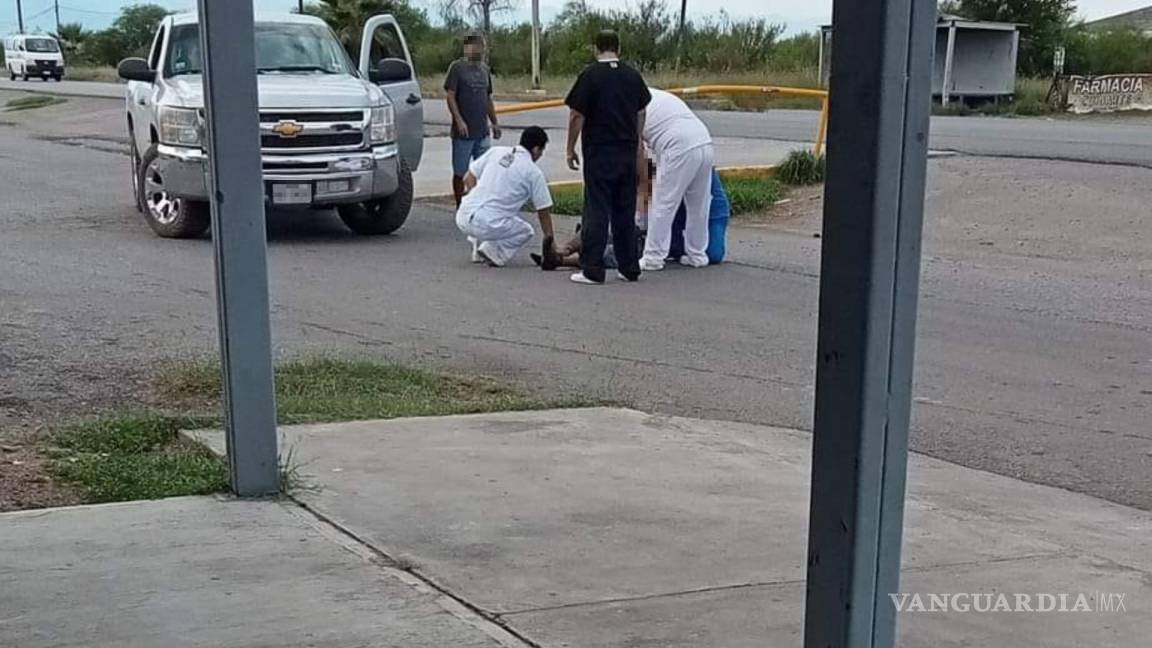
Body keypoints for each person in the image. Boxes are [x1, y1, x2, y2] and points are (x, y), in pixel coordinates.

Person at [564, 30, 651, 285]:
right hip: (626, 150)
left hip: (599, 152)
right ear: (618, 48)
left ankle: (592, 268)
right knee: (624, 210)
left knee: (597, 208)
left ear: (596, 48)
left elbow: (576, 115)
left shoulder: (590, 76)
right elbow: (641, 110)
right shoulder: (632, 75)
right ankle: (629, 267)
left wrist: (570, 148)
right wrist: (636, 142)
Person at [455, 127, 555, 267]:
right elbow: (543, 211)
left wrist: (478, 197)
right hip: (488, 224)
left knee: (490, 213)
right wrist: (550, 242)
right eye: (541, 151)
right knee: (525, 231)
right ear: (536, 149)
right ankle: (493, 252)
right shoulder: (533, 173)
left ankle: (477, 244)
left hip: (463, 216)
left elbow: (468, 178)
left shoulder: (496, 152)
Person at [638, 88, 715, 270]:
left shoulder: (630, 100)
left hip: (677, 144)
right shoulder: (656, 95)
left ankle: (653, 257)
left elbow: (637, 148)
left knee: (663, 201)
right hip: (703, 140)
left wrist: (642, 186)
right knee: (699, 203)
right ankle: (697, 254)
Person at [445, 32, 502, 207]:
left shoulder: (484, 70)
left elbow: (488, 98)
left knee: (484, 170)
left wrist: (494, 122)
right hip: (464, 133)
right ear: (467, 47)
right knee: (461, 171)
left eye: (481, 46)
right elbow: (450, 96)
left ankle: (479, 203)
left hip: (482, 131)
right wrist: (459, 120)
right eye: (475, 46)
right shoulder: (457, 68)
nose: (479, 50)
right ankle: (459, 204)